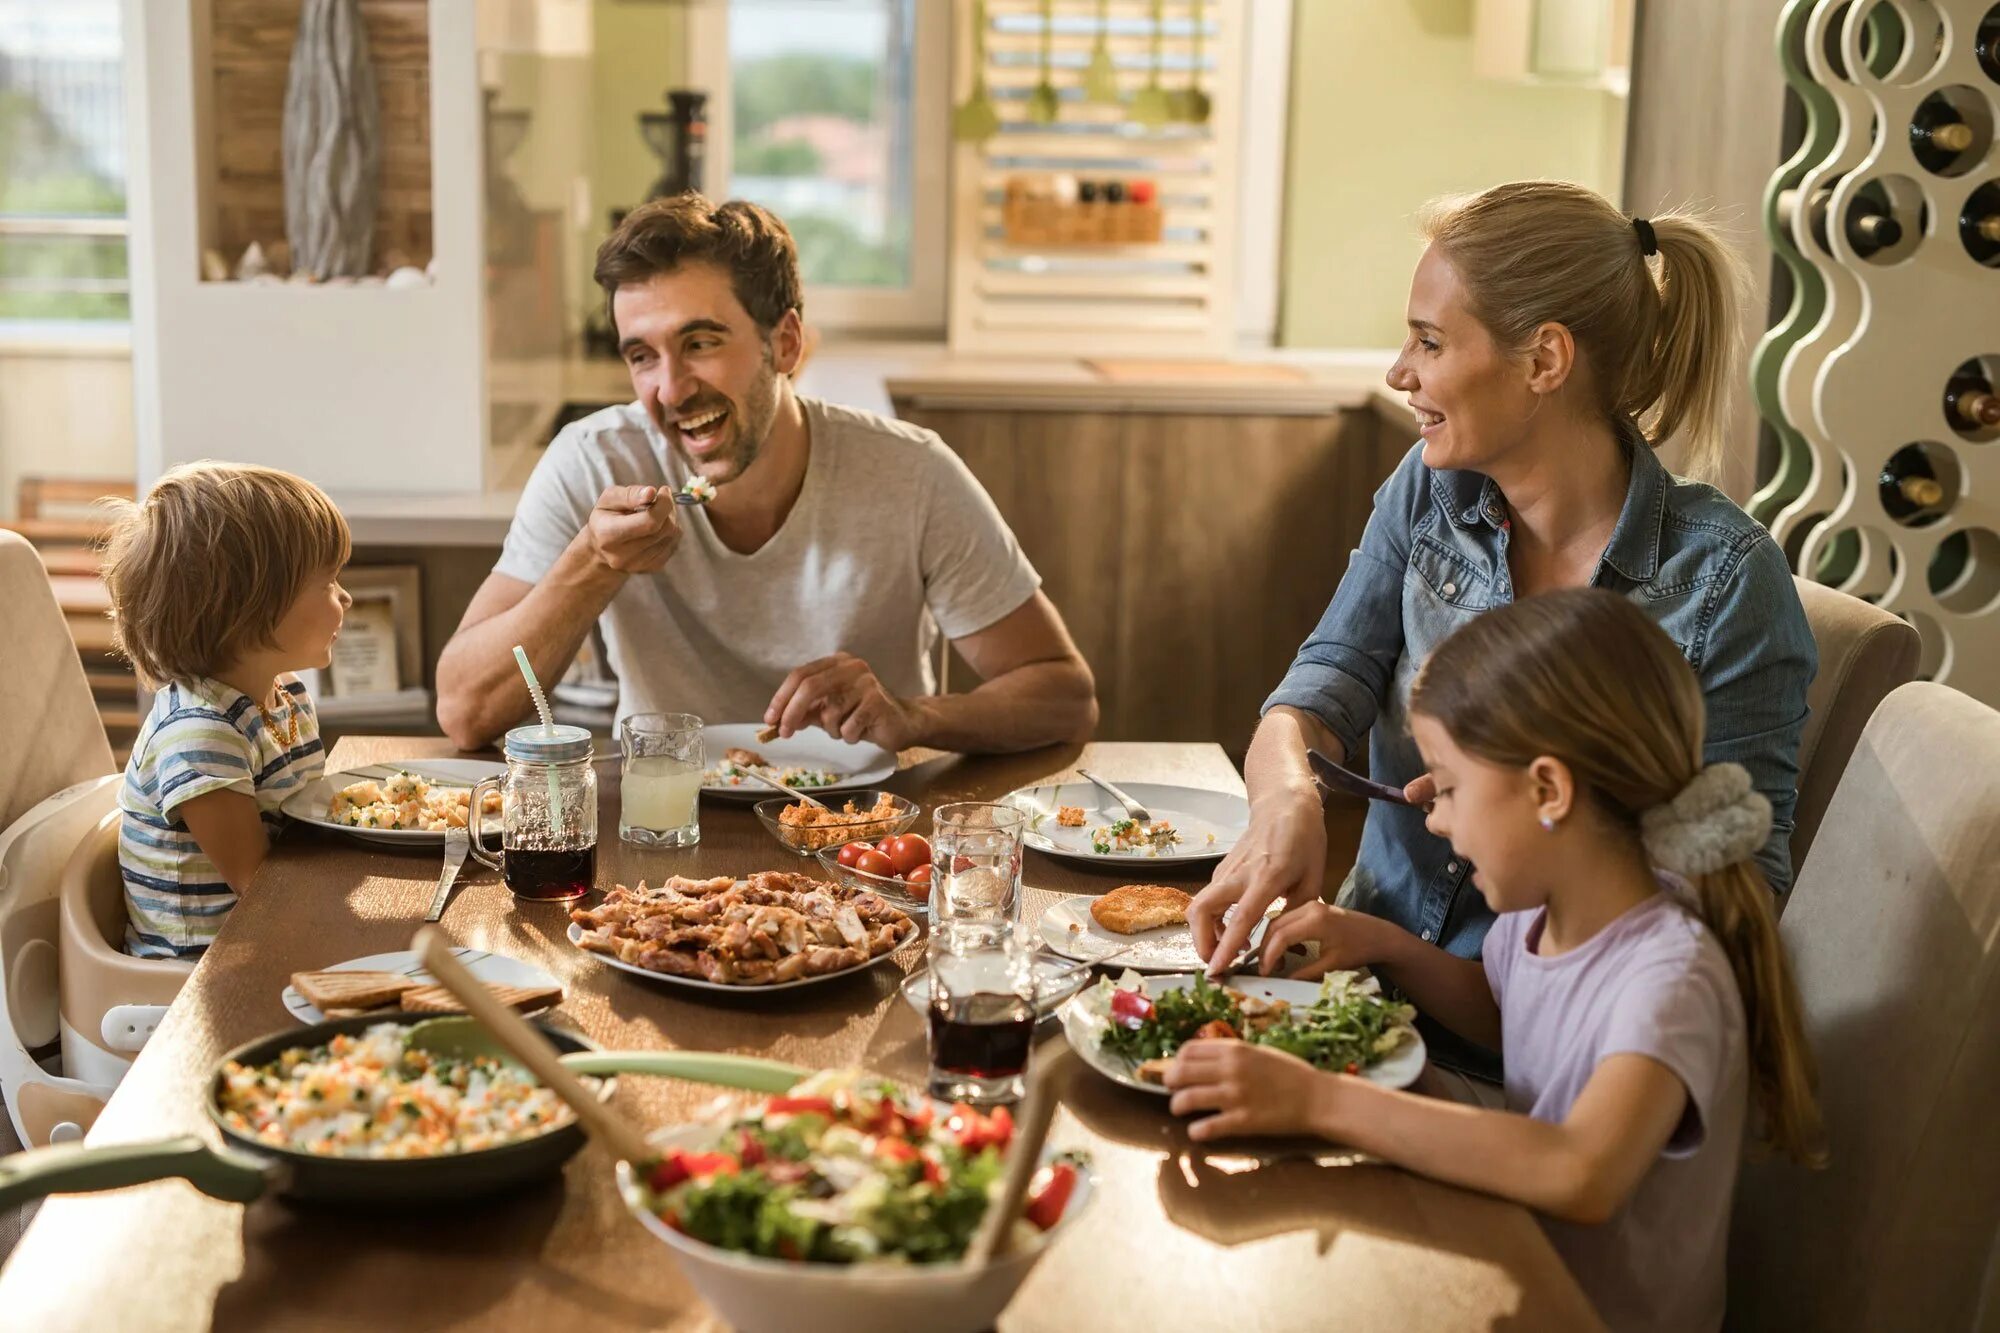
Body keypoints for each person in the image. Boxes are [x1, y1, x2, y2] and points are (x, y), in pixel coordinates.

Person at [1191, 182, 1817, 1022]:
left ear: (1545, 361)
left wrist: (1502, 820)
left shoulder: (1727, 585)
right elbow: (1320, 686)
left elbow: (1726, 917)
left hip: (1551, 1054)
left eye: (1431, 341)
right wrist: (1287, 799)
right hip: (1349, 988)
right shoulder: (1429, 490)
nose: (1399, 370)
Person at [1165, 590, 1824, 1332]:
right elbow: (1510, 1009)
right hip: (1509, 1265)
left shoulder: (1673, 977)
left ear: (1548, 788)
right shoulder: (1548, 912)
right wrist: (1383, 943)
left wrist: (1319, 1101)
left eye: (1448, 787)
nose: (1435, 816)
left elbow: (1581, 1169)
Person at [436, 194, 1096, 754]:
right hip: (664, 828)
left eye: (700, 343)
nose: (670, 389)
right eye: (643, 356)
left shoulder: (911, 473)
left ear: (785, 343)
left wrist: (914, 715)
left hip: (865, 834)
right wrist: (592, 564)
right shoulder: (592, 463)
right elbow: (464, 709)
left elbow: (1064, 694)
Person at [102, 462, 351, 957]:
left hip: (268, 936)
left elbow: (305, 831)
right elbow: (259, 890)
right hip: (205, 972)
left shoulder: (287, 696)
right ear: (249, 607)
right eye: (326, 583)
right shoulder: (201, 735)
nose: (344, 595)